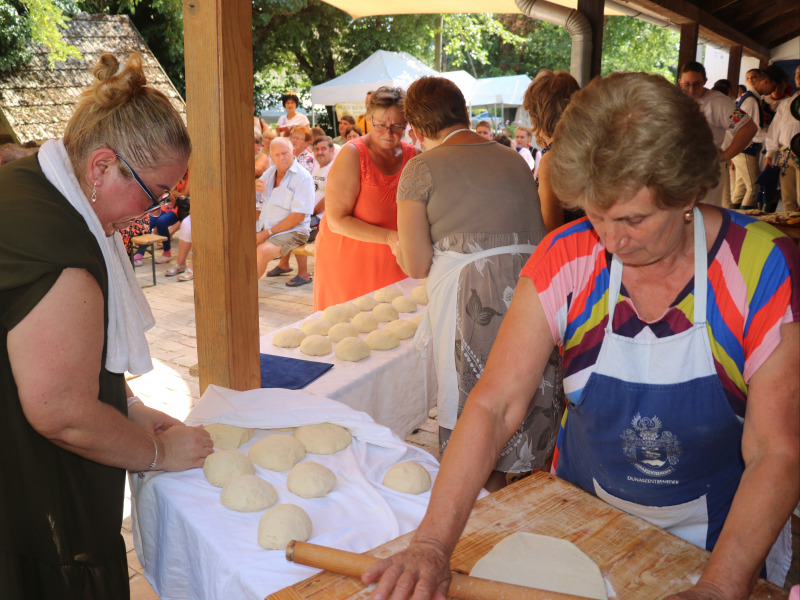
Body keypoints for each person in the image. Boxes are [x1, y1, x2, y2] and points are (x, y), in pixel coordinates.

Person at [363, 72, 798, 600]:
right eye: (595, 215)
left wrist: (719, 586)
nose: (612, 241)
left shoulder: (763, 268)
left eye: (632, 219)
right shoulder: (566, 257)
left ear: (686, 191)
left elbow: (776, 450)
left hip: (719, 539)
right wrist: (431, 544)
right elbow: (495, 405)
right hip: (578, 518)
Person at [0, 52, 213, 599]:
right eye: (156, 192)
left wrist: (130, 409)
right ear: (100, 167)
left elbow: (64, 357)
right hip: (29, 503)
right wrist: (159, 454)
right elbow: (61, 412)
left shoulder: (32, 180)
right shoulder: (64, 253)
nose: (154, 211)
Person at [396, 76, 562, 492]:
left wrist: (398, 248)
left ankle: (481, 512)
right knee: (525, 396)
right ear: (465, 112)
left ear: (415, 130)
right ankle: (526, 498)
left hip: (474, 295)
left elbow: (416, 262)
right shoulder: (513, 158)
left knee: (479, 408)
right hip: (533, 289)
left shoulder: (419, 169)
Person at [313, 86, 418, 310]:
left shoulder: (415, 157)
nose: (389, 132)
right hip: (348, 263)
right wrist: (390, 238)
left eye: (397, 125)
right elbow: (336, 220)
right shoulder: (352, 155)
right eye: (381, 125)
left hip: (395, 263)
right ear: (368, 119)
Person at [678, 62, 757, 207]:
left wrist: (726, 155)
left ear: (705, 81)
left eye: (696, 84)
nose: (691, 89)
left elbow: (748, 127)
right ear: (679, 82)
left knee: (702, 218)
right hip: (681, 172)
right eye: (686, 84)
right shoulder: (679, 101)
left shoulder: (718, 103)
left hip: (706, 173)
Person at [270, 135, 335, 287]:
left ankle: (303, 275)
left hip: (322, 217)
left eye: (324, 149)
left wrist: (307, 212)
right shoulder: (318, 168)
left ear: (332, 150)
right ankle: (284, 264)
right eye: (317, 149)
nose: (320, 152)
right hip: (311, 212)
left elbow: (329, 198)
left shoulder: (333, 168)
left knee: (295, 226)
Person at [523, 69, 580, 232]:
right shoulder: (587, 148)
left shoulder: (553, 160)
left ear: (537, 114)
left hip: (571, 253)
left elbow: (549, 231)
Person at [256, 137, 314, 283]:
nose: (281, 158)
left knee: (262, 251)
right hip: (269, 227)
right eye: (277, 154)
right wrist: (253, 187)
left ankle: (243, 291)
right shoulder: (270, 173)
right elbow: (254, 197)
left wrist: (267, 233)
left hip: (294, 231)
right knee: (239, 245)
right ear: (271, 157)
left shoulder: (303, 177)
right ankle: (233, 284)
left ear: (293, 152)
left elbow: (298, 217)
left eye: (285, 153)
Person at [765, 64, 800, 212]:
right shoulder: (786, 103)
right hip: (785, 154)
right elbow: (775, 129)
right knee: (787, 198)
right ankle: (789, 234)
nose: (799, 77)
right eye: (798, 74)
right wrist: (770, 153)